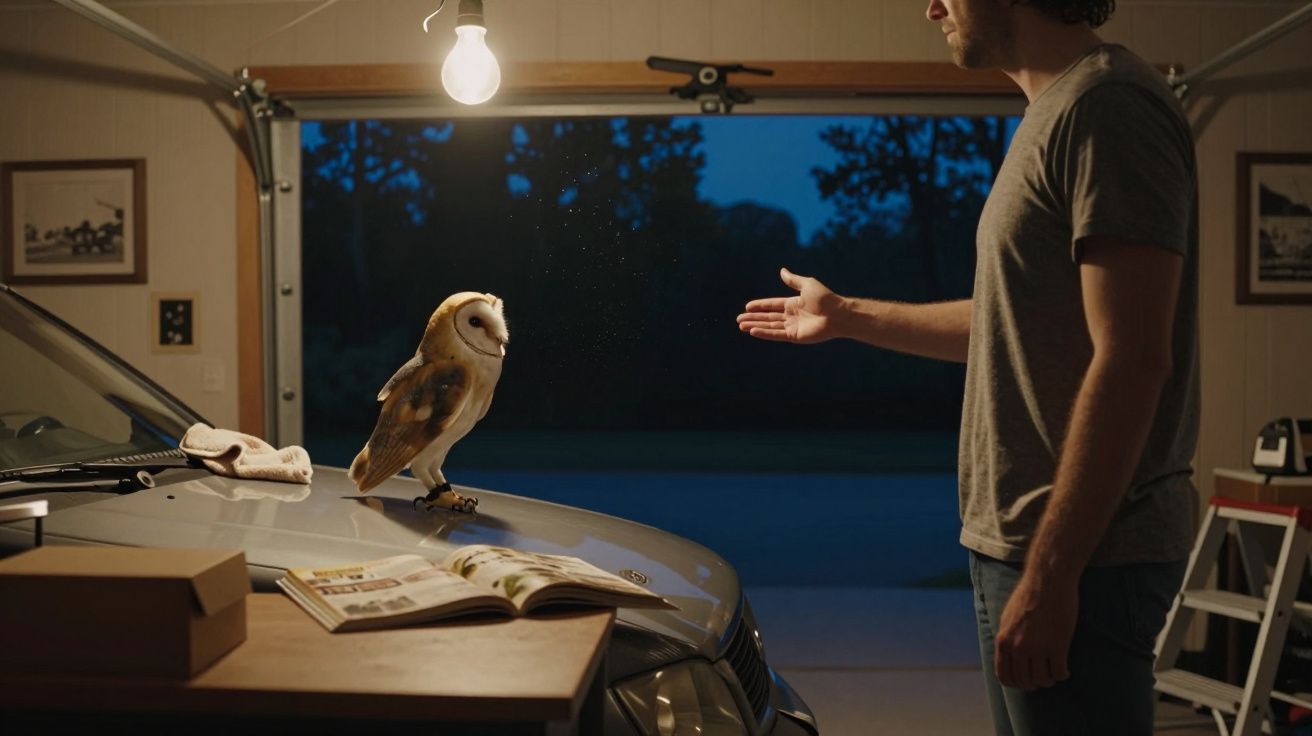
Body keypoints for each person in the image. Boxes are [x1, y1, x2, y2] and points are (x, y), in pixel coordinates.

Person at [736, 1, 1199, 733]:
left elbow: (1134, 359)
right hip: (1022, 547)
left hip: (1084, 557)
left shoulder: (1108, 106)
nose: (932, 7)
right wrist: (848, 316)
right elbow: (1012, 324)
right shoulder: (1054, 111)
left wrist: (1052, 576)